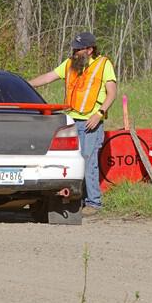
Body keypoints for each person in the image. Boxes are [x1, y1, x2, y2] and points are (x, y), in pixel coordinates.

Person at [29, 32, 117, 213]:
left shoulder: (103, 65)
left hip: (91, 122)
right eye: (74, 49)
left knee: (88, 160)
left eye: (79, 49)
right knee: (68, 161)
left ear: (90, 49)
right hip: (70, 121)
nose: (75, 52)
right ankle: (75, 199)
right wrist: (23, 84)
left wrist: (99, 114)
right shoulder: (69, 64)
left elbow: (112, 93)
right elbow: (47, 77)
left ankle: (94, 202)